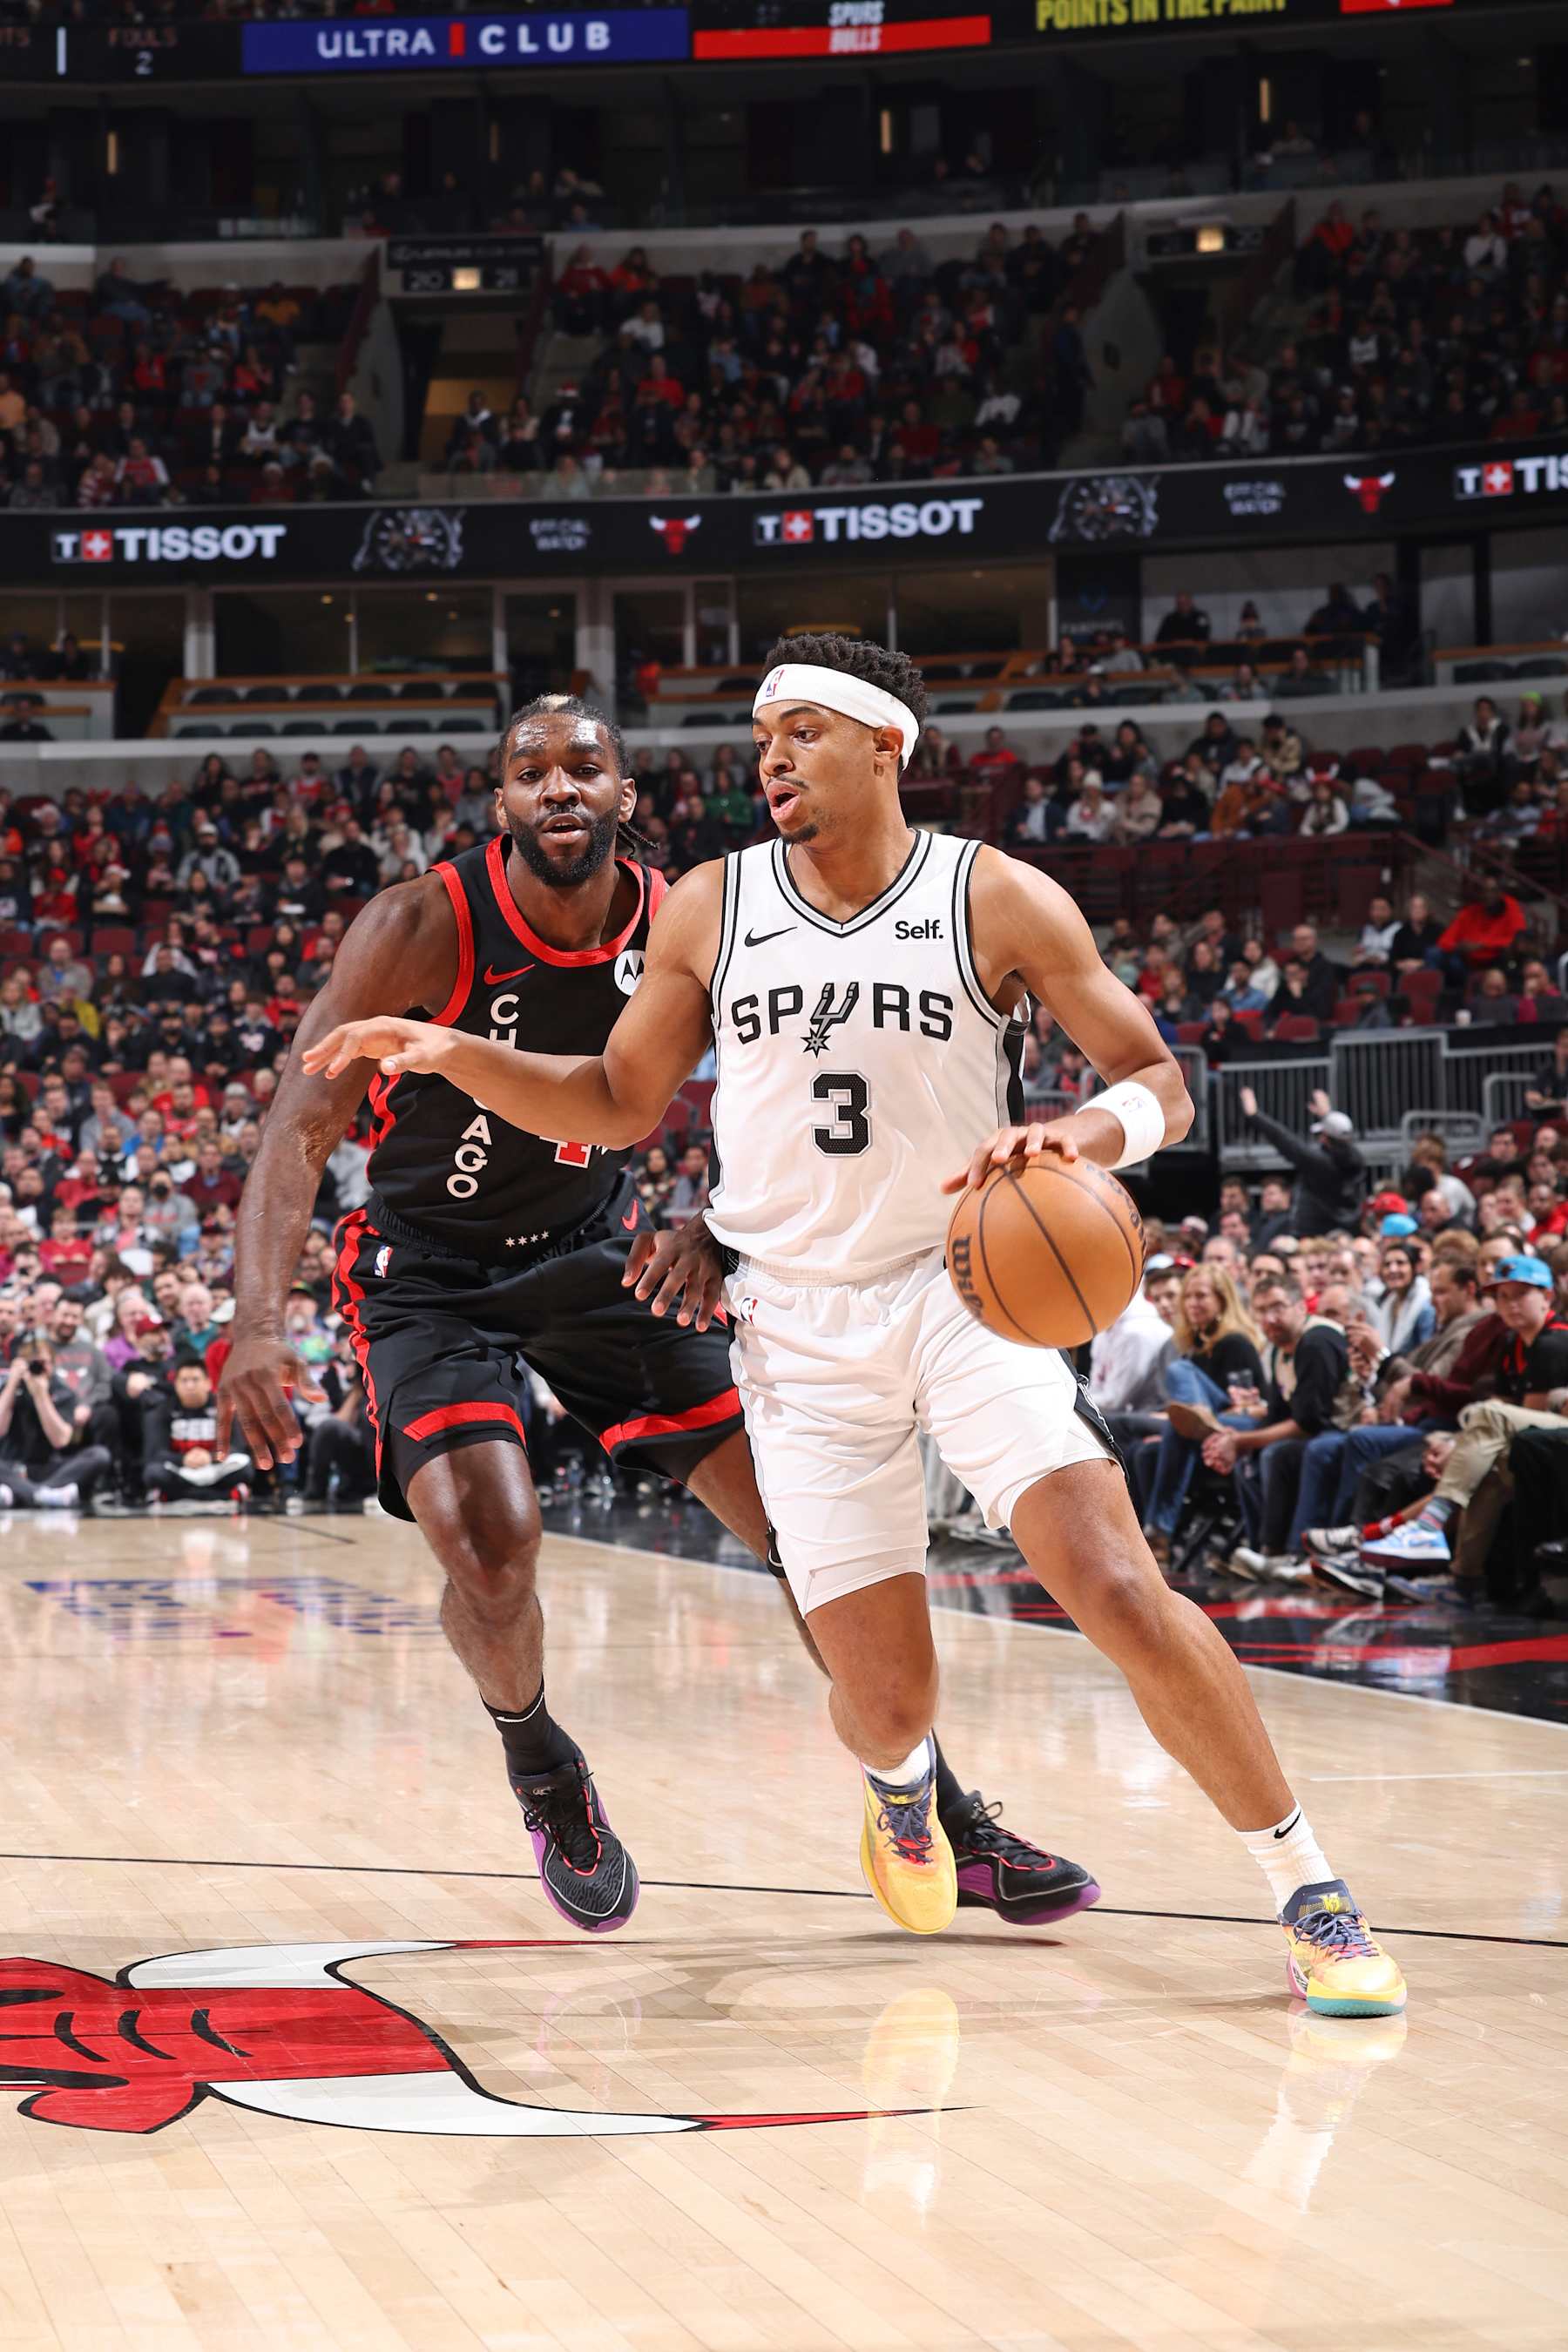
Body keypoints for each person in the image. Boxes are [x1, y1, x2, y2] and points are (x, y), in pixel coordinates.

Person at [306, 637, 1405, 2017]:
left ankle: (1310, 1891)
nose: (774, 758)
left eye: (805, 732)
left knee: (1117, 1585)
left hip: (963, 1295)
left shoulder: (993, 894)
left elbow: (1159, 1084)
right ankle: (902, 1792)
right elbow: (618, 1103)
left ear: (886, 745)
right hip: (797, 1327)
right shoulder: (713, 904)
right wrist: (456, 1053)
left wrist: (1078, 1136)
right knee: (887, 1703)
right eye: (764, 739)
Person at [221, 695, 1089, 1943]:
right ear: (501, 801)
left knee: (807, 1535)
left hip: (599, 1255)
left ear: (626, 795)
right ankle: (542, 1764)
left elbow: (785, 1095)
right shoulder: (421, 922)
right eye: (531, 771)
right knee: (492, 1545)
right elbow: (301, 1123)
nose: (559, 788)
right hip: (429, 1272)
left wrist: (715, 1229)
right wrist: (258, 1321)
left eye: (585, 767)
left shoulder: (690, 915)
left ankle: (933, 1805)